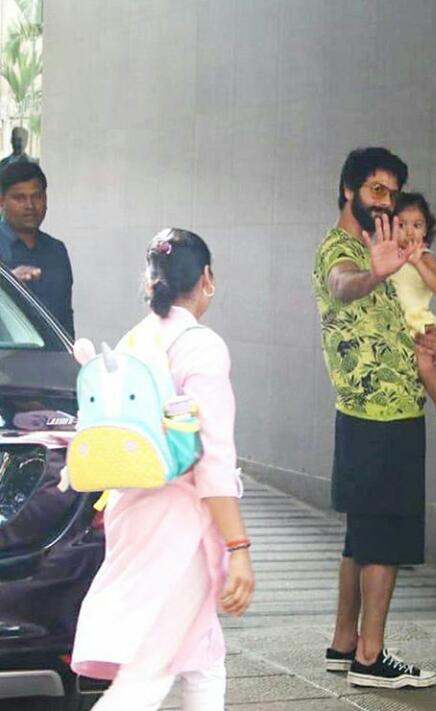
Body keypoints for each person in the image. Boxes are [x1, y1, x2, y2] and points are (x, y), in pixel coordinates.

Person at [70, 228, 254, 711]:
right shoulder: (202, 346)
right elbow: (213, 461)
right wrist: (238, 548)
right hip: (180, 528)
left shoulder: (135, 339)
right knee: (146, 678)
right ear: (207, 279)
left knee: (203, 657)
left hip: (131, 514)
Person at [313, 147, 436, 689]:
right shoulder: (343, 249)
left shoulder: (385, 245)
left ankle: (345, 644)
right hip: (377, 415)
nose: (385, 201)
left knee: (361, 535)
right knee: (384, 536)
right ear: (348, 190)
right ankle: (371, 657)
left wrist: (425, 348)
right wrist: (375, 271)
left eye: (391, 192)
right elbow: (343, 283)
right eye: (375, 190)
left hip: (388, 409)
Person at [391, 191, 436, 448]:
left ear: (426, 230)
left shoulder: (426, 256)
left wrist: (417, 262)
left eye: (417, 225)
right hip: (392, 323)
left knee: (425, 366)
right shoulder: (386, 256)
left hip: (417, 320)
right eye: (401, 225)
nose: (409, 232)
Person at [0, 161, 74, 336]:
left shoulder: (57, 251)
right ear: (2, 201)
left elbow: (64, 316)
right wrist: (6, 285)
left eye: (37, 196)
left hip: (52, 359)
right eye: (19, 198)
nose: (30, 205)